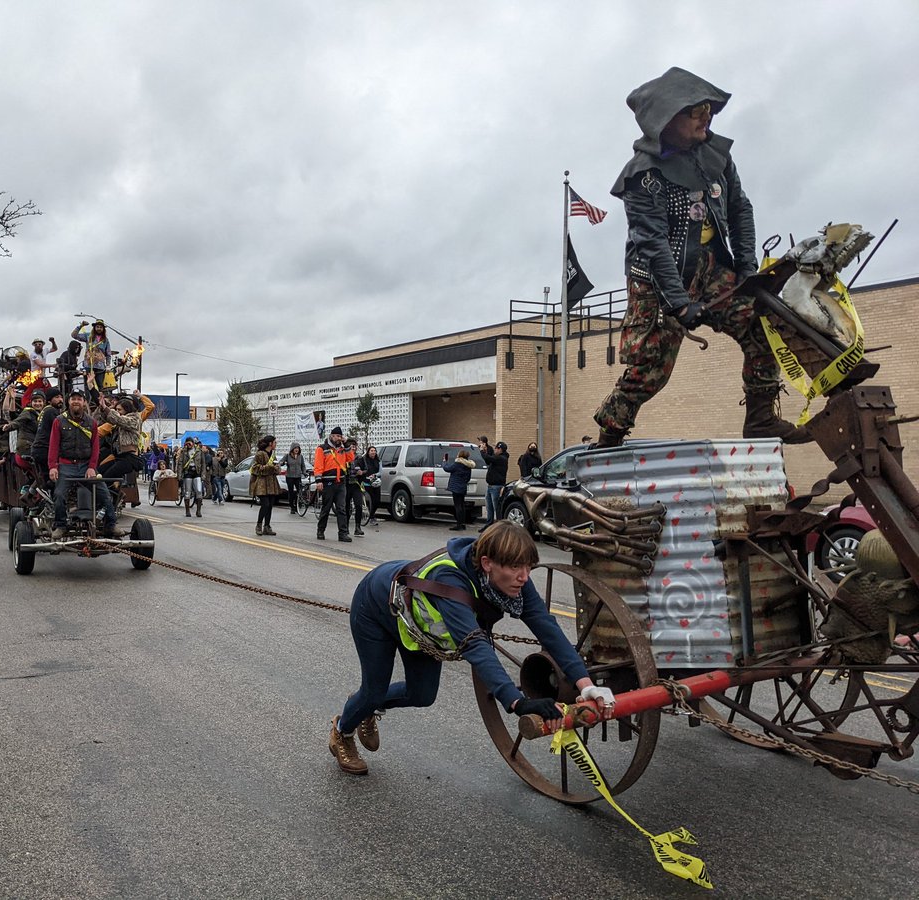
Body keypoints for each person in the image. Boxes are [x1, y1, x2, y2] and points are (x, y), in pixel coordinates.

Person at [593, 66, 810, 449]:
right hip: (660, 276)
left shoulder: (716, 157)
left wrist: (746, 270)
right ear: (667, 119)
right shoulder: (643, 176)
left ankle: (761, 420)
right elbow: (653, 243)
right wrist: (679, 303)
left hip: (711, 266)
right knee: (651, 368)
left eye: (708, 109)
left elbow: (740, 209)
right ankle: (610, 433)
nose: (705, 117)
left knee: (763, 325)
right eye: (695, 111)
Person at [327, 521, 615, 776]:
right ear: (488, 563)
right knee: (374, 689)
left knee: (423, 695)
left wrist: (585, 684)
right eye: (515, 567)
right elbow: (475, 644)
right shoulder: (450, 581)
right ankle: (343, 730)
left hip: (419, 625)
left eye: (529, 566)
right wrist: (517, 702)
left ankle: (367, 706)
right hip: (376, 609)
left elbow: (545, 626)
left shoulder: (516, 579)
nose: (524, 577)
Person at [47, 388, 116, 539]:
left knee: (105, 493)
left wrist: (92, 467)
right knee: (58, 495)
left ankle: (111, 525)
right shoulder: (59, 421)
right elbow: (53, 446)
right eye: (73, 399)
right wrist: (53, 466)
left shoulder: (92, 423)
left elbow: (95, 448)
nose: (76, 402)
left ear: (84, 402)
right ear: (68, 402)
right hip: (66, 465)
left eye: (79, 399)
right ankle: (60, 525)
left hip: (86, 466)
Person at [97, 390, 155, 488]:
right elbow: (100, 430)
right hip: (117, 454)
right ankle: (114, 492)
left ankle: (112, 497)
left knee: (107, 478)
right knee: (100, 471)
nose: (117, 411)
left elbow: (150, 407)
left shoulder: (136, 418)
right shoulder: (115, 421)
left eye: (119, 409)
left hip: (130, 456)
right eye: (116, 409)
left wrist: (140, 396)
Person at [313, 426, 353, 542]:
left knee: (342, 509)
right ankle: (320, 530)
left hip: (340, 482)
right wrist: (318, 480)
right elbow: (318, 465)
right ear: (332, 436)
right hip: (328, 483)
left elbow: (350, 458)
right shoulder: (322, 449)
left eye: (340, 436)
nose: (339, 438)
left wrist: (346, 444)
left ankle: (343, 533)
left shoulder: (342, 449)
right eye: (337, 436)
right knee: (326, 508)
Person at [249, 434, 282, 536]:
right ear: (270, 443)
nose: (276, 444)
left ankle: (267, 526)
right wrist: (268, 468)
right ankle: (259, 525)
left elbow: (276, 468)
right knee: (265, 504)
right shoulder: (260, 454)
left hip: (271, 483)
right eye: (275, 442)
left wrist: (277, 468)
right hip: (262, 484)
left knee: (270, 505)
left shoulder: (272, 454)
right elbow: (254, 468)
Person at [71, 320, 112, 401]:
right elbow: (74, 335)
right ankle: (88, 402)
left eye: (101, 327)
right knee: (88, 385)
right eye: (97, 327)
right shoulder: (88, 336)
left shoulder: (105, 340)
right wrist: (81, 326)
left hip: (100, 367)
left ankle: (99, 402)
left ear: (103, 329)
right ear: (94, 328)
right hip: (89, 366)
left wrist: (108, 365)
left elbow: (108, 354)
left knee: (100, 386)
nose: (99, 329)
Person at [441, 448, 475, 531]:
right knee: (462, 506)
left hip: (456, 488)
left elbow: (447, 468)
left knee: (458, 506)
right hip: (463, 487)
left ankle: (459, 524)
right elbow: (468, 478)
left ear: (460, 455)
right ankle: (463, 524)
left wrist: (444, 461)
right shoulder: (468, 466)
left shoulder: (457, 464)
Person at [175, 437, 206, 518]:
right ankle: (187, 511)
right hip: (187, 472)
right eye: (187, 443)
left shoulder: (199, 451)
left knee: (199, 491)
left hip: (197, 472)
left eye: (190, 443)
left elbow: (203, 463)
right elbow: (180, 464)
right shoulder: (183, 452)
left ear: (193, 443)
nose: (188, 445)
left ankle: (198, 511)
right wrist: (179, 475)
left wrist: (203, 474)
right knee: (187, 492)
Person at [344, 438, 366, 537]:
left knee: (358, 505)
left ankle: (358, 527)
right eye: (350, 446)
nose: (353, 447)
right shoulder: (343, 456)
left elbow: (366, 470)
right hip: (346, 485)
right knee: (346, 507)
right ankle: (346, 527)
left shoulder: (360, 458)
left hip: (357, 485)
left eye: (354, 446)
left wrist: (362, 472)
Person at [281, 442, 306, 514]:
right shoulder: (287, 456)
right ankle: (292, 507)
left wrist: (304, 472)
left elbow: (303, 466)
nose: (296, 449)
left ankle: (297, 505)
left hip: (298, 476)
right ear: (292, 449)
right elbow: (281, 462)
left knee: (299, 491)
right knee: (291, 492)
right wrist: (282, 463)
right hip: (290, 477)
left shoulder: (300, 456)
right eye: (295, 448)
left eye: (298, 448)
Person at [362, 446, 382, 525]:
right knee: (370, 500)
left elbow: (381, 472)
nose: (373, 452)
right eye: (371, 451)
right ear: (368, 452)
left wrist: (375, 475)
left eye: (374, 451)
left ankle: (371, 514)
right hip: (367, 483)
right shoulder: (364, 460)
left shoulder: (378, 461)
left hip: (375, 482)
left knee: (377, 501)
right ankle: (371, 517)